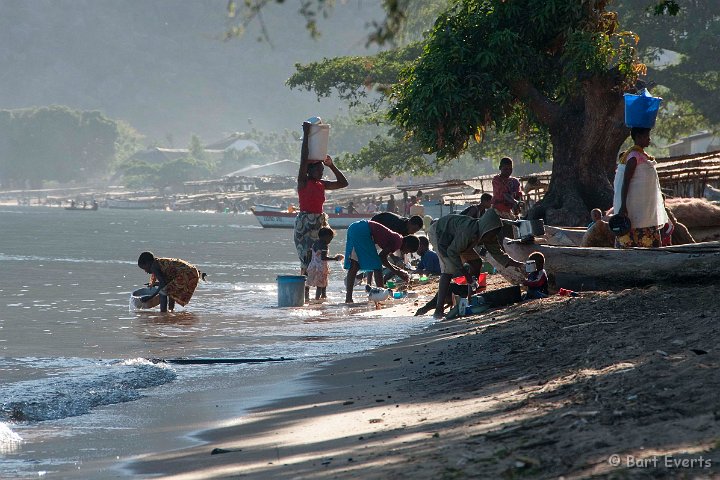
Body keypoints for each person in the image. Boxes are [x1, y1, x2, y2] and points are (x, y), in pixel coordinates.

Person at [427, 211, 524, 318]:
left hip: (457, 241)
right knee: (449, 270)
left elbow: (498, 254)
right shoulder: (468, 232)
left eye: (496, 233)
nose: (494, 236)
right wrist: (466, 274)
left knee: (476, 263)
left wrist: (519, 264)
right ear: (487, 228)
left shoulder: (488, 236)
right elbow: (452, 252)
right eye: (493, 233)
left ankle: (471, 299)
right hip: (440, 234)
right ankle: (438, 310)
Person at [295, 121, 349, 301]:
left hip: (319, 223)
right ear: (310, 170)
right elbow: (303, 159)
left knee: (320, 257)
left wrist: (331, 165)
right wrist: (306, 133)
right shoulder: (303, 181)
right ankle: (306, 295)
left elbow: (343, 183)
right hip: (305, 224)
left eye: (321, 169)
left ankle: (320, 293)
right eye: (317, 168)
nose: (321, 171)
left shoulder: (322, 184)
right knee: (306, 259)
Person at [613, 127, 667, 248]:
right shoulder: (633, 157)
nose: (649, 139)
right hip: (634, 210)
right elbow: (626, 182)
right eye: (646, 136)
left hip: (645, 211)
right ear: (638, 137)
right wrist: (623, 206)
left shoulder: (642, 156)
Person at [344, 220, 419, 303]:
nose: (406, 253)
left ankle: (348, 298)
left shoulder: (397, 238)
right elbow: (382, 258)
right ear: (407, 244)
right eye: (408, 251)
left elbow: (383, 257)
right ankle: (381, 296)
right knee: (377, 266)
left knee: (355, 265)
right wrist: (398, 272)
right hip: (364, 231)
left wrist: (398, 270)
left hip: (354, 227)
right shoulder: (398, 242)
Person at [137, 251, 207, 312]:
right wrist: (157, 283)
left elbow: (163, 284)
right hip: (192, 272)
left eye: (144, 268)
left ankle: (163, 313)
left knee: (163, 292)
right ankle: (171, 311)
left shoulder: (154, 267)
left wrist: (150, 297)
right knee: (169, 290)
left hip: (187, 274)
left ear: (148, 263)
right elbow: (166, 281)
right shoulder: (158, 262)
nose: (145, 271)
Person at [415, 259, 483, 316]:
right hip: (458, 288)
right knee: (434, 303)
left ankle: (425, 311)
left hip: (458, 290)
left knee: (435, 302)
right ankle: (425, 311)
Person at [306, 227, 344, 301]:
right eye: (330, 238)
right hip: (321, 268)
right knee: (321, 285)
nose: (330, 241)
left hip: (313, 266)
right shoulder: (324, 245)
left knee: (313, 283)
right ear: (325, 237)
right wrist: (334, 259)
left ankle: (310, 297)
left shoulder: (315, 243)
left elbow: (311, 254)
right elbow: (323, 258)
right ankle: (318, 300)